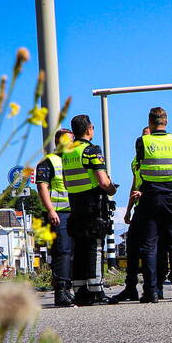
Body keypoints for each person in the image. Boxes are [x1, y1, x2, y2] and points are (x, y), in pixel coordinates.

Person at [108, 127, 169, 303]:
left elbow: (163, 184)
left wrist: (145, 194)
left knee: (156, 248)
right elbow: (135, 184)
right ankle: (130, 287)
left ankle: (156, 287)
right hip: (139, 207)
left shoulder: (158, 158)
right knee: (132, 245)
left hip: (156, 206)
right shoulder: (136, 161)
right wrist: (128, 209)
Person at [62, 114, 117, 305]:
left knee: (79, 248)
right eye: (92, 127)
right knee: (95, 246)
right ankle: (96, 290)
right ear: (88, 130)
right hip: (93, 204)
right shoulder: (91, 151)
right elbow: (102, 180)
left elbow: (67, 183)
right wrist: (112, 189)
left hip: (75, 204)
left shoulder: (67, 152)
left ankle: (80, 291)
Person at [134, 107, 172, 303]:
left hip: (150, 196)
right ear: (166, 121)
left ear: (150, 122)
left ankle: (151, 291)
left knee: (150, 245)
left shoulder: (143, 141)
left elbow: (139, 162)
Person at [36, 128, 75, 306]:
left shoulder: (71, 160)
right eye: (67, 141)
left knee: (70, 252)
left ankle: (68, 288)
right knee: (62, 252)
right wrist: (50, 210)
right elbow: (42, 187)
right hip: (58, 213)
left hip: (72, 211)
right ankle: (61, 291)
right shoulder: (48, 161)